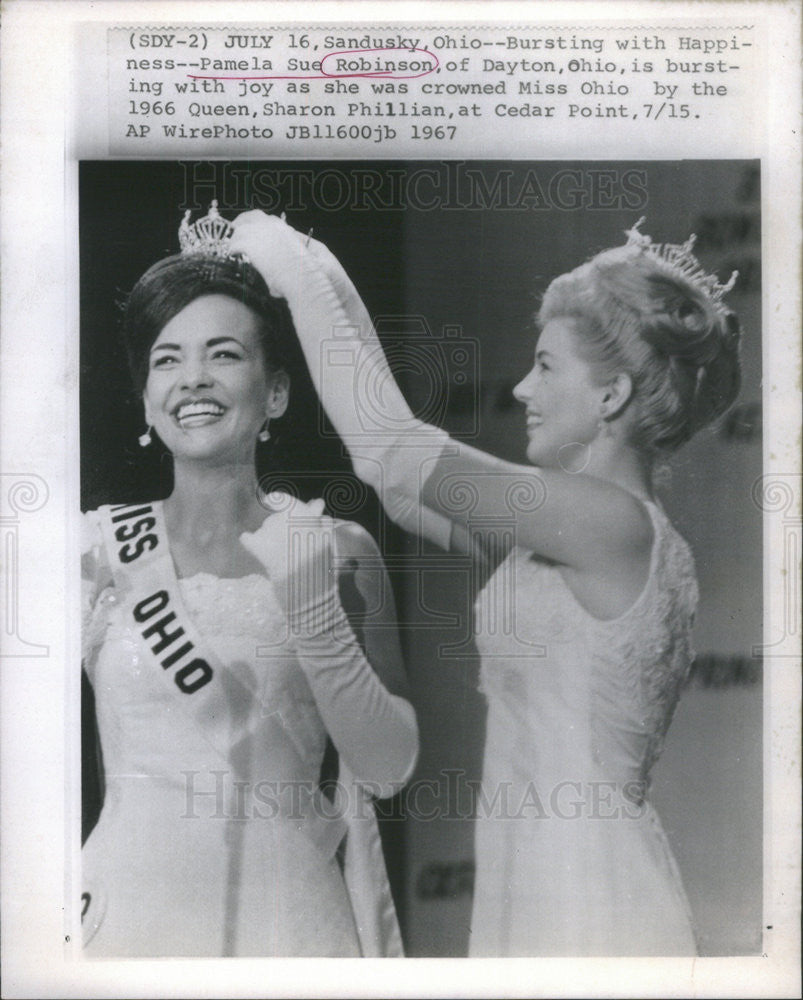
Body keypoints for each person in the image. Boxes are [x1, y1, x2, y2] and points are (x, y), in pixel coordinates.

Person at [229, 212, 742, 956]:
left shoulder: (605, 520)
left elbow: (390, 451)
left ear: (611, 395)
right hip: (535, 865)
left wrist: (286, 262)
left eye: (546, 366)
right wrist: (322, 270)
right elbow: (401, 490)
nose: (521, 387)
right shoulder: (573, 530)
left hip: (583, 886)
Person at [80, 202, 418, 957]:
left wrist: (312, 608)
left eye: (224, 354)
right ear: (144, 398)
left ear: (276, 393)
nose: (192, 379)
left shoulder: (338, 549)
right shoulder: (92, 550)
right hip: (130, 918)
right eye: (167, 359)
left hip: (289, 917)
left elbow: (390, 769)